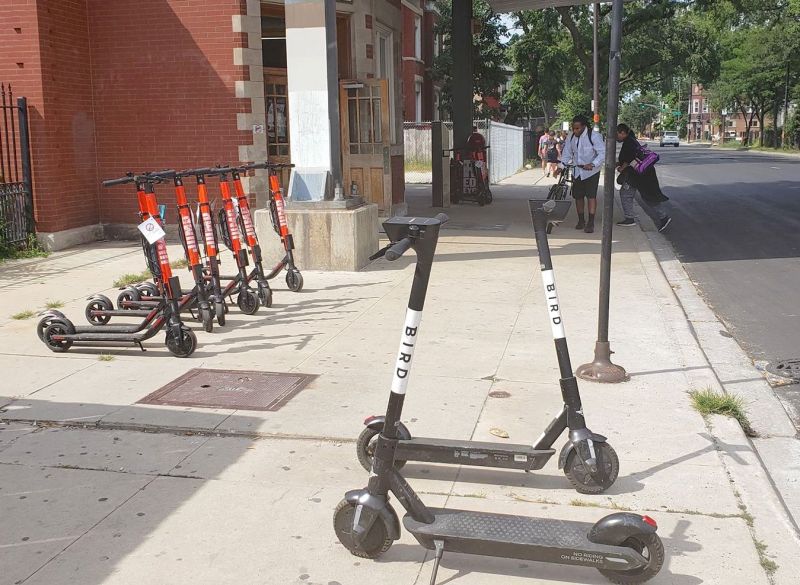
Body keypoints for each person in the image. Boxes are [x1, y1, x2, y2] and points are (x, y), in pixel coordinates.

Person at [615, 123, 672, 232]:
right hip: (641, 174)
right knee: (647, 196)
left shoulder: (629, 142)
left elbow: (629, 158)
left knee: (627, 194)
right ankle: (662, 217)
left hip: (636, 175)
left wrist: (621, 168)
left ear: (622, 133)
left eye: (617, 134)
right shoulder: (631, 140)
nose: (616, 137)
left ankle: (630, 218)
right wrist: (619, 164)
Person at [556, 114, 605, 233]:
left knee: (591, 196)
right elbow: (567, 152)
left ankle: (591, 222)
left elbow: (602, 153)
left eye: (577, 128)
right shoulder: (571, 137)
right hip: (577, 171)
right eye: (573, 128)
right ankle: (581, 220)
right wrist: (561, 166)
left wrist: (592, 164)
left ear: (584, 126)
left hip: (591, 172)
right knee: (578, 196)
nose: (575, 130)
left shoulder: (594, 136)